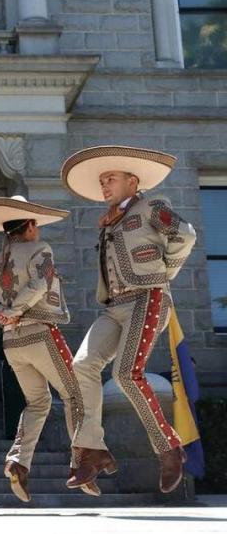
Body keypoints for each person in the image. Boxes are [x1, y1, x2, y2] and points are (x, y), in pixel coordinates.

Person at [61, 146, 196, 493]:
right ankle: (92, 450)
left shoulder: (151, 206)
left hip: (148, 298)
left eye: (111, 179)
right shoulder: (109, 221)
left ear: (132, 182)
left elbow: (186, 235)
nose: (104, 185)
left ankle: (169, 448)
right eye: (102, 180)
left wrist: (164, 273)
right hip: (116, 306)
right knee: (82, 365)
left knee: (126, 373)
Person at [0, 195, 98, 502]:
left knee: (37, 402)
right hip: (40, 333)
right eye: (36, 225)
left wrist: (4, 315)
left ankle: (18, 460)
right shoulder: (40, 250)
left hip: (11, 341)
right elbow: (41, 285)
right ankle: (81, 463)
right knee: (75, 394)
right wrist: (17, 309)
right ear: (29, 226)